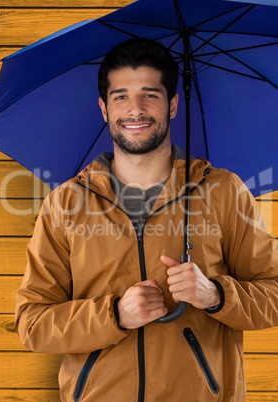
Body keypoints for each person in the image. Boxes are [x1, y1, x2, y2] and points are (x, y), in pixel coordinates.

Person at [15, 38, 278, 402]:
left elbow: (274, 291)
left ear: (172, 104)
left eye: (150, 94)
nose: (135, 109)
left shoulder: (224, 191)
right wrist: (115, 315)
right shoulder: (65, 204)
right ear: (104, 108)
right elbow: (33, 324)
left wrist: (216, 294)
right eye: (121, 96)